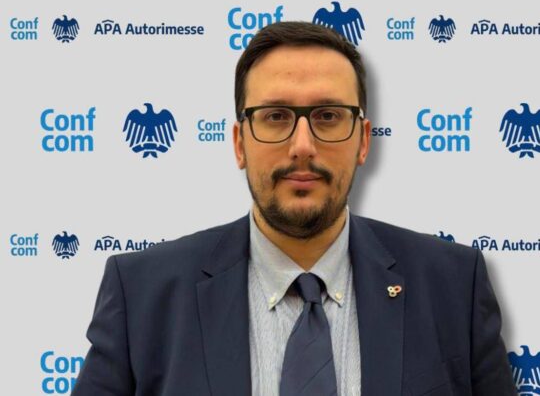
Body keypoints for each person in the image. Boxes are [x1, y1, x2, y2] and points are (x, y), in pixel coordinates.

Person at [72, 21, 516, 396]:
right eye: (275, 117)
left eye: (328, 116)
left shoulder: (454, 287)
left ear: (363, 141)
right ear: (239, 143)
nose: (302, 146)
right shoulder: (143, 294)